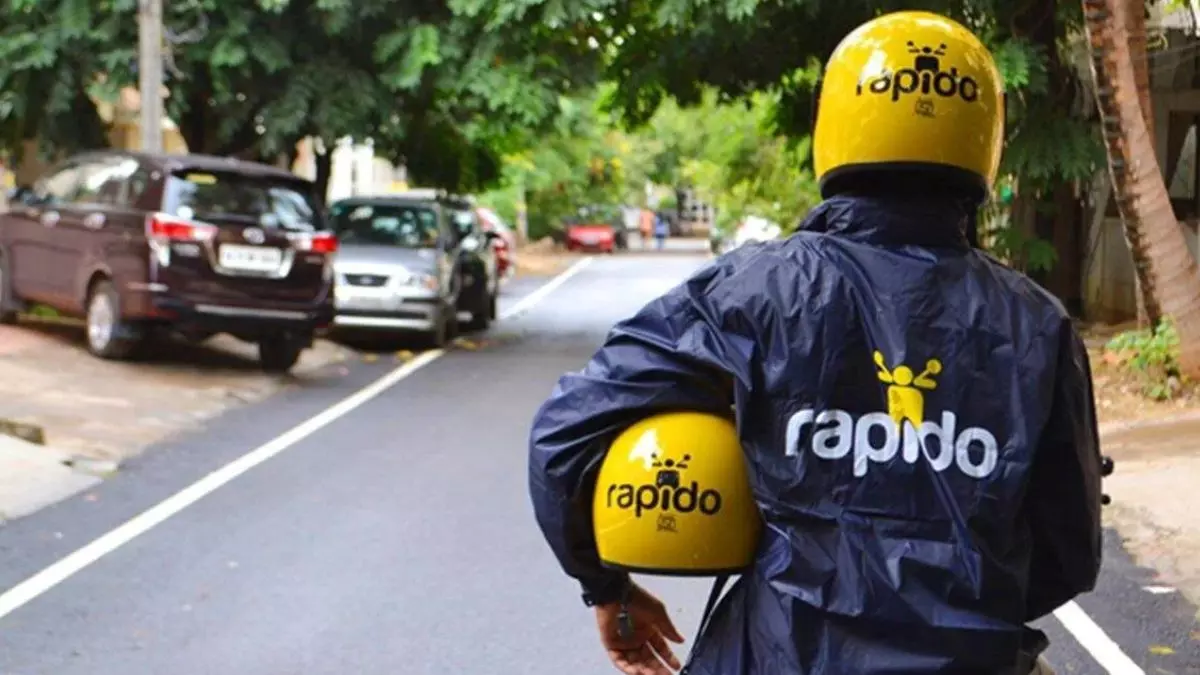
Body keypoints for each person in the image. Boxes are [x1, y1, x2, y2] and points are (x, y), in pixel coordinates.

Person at [528, 10, 1104, 675]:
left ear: (833, 124)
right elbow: (1069, 553)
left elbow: (564, 435)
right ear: (985, 135)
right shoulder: (1038, 324)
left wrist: (608, 589)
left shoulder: (753, 291)